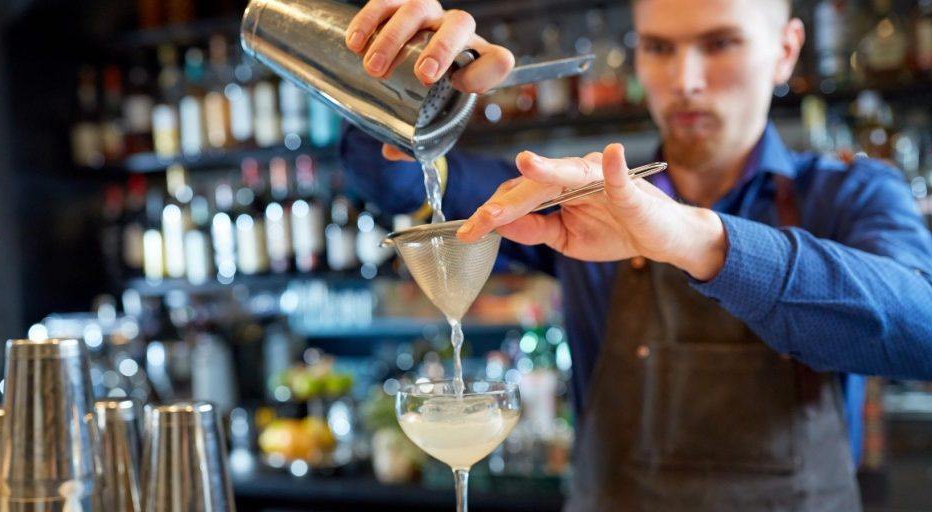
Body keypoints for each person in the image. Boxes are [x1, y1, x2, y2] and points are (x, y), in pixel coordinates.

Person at [339, 0, 932, 509]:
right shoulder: (577, 194)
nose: (686, 80)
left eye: (720, 43)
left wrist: (698, 239)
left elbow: (920, 330)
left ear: (785, 49)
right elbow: (390, 179)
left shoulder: (848, 193)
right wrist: (402, 82)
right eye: (658, 48)